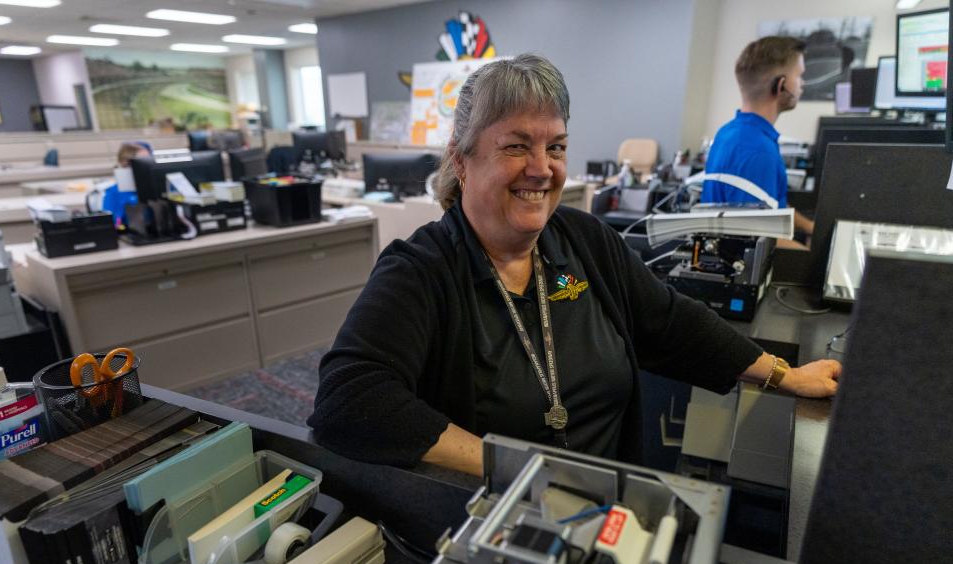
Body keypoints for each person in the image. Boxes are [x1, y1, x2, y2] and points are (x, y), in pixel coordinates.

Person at [309, 54, 840, 477]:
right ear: (461, 159)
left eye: (556, 146)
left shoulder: (582, 241)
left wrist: (785, 375)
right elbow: (349, 400)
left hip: (611, 513)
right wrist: (517, 472)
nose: (541, 169)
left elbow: (671, 323)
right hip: (494, 525)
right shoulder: (420, 270)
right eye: (517, 146)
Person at [701, 36, 815, 244]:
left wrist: (810, 227)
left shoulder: (729, 133)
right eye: (799, 76)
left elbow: (772, 209)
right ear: (781, 85)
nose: (802, 84)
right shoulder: (758, 150)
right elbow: (759, 238)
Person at [101, 142, 151, 224]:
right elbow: (115, 224)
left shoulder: (154, 186)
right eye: (144, 161)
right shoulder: (114, 192)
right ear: (127, 164)